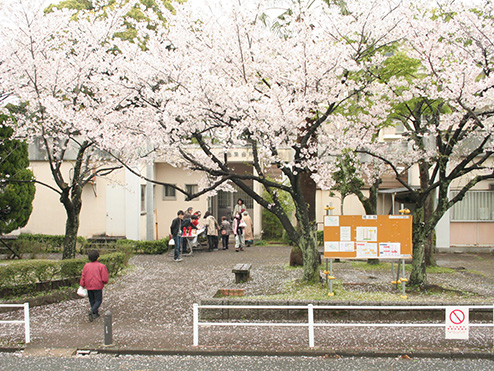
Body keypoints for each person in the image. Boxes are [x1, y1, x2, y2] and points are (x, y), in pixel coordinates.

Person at [80, 250, 109, 322]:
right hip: (98, 285)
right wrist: (104, 281)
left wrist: (82, 284)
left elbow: (83, 275)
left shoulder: (86, 266)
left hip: (89, 285)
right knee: (98, 300)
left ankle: (95, 313)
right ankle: (93, 310)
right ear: (97, 258)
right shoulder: (101, 266)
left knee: (92, 299)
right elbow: (104, 277)